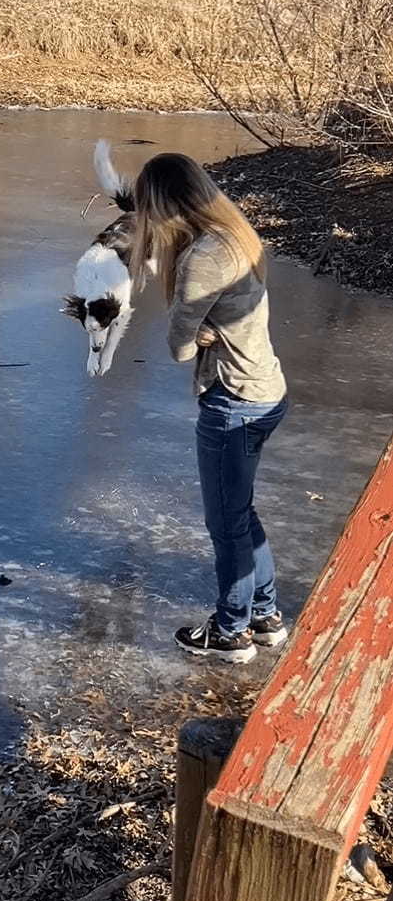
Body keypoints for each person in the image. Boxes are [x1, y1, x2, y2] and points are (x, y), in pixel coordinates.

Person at [131, 152, 288, 663]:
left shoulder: (203, 257)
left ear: (164, 205)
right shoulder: (236, 235)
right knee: (239, 513)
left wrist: (196, 335)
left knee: (226, 524)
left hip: (234, 402)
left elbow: (178, 347)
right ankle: (263, 616)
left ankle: (231, 631)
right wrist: (203, 331)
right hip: (265, 392)